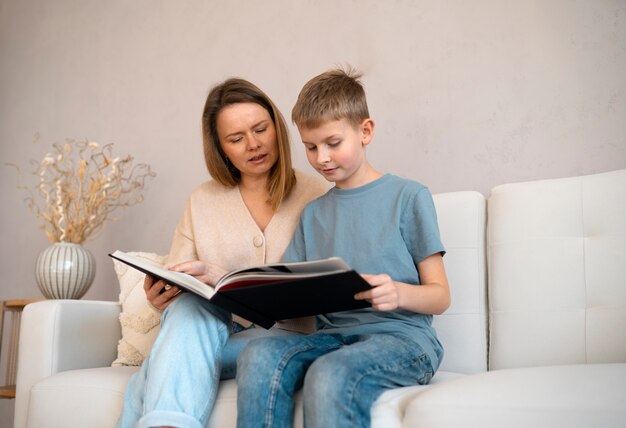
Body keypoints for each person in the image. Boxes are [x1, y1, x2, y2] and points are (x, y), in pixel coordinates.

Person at [236, 67, 451, 428]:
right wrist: (258, 294)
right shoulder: (313, 214)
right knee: (258, 352)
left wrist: (397, 292)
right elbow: (289, 300)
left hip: (402, 340)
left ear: (365, 131)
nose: (321, 158)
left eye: (333, 143)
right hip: (332, 338)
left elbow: (441, 296)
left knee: (330, 372)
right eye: (310, 147)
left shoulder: (408, 196)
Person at [116, 78, 329, 428]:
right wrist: (160, 297)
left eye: (261, 129)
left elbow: (328, 286)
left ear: (277, 126)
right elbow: (178, 275)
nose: (254, 145)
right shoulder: (202, 200)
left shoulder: (317, 193)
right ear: (221, 149)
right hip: (216, 336)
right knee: (187, 307)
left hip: (288, 339)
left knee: (156, 368)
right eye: (236, 139)